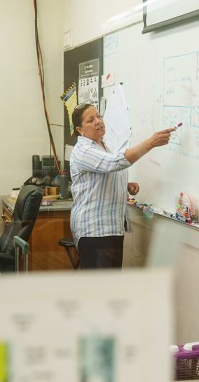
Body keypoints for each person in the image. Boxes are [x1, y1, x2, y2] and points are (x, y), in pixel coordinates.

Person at [69, 104, 176, 268]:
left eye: (99, 116)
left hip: (112, 228)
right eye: (91, 120)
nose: (98, 121)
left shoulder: (103, 146)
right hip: (94, 231)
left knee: (110, 288)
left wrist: (124, 185)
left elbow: (103, 173)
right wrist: (151, 142)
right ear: (80, 129)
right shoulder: (83, 150)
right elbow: (114, 163)